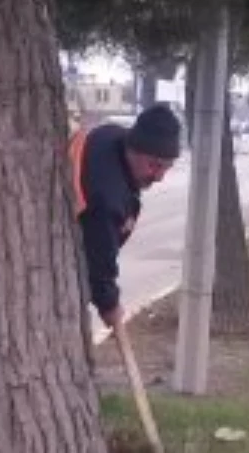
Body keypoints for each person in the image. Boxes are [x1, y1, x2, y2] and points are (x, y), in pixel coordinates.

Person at [70, 101, 182, 328]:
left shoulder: (111, 136)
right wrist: (109, 304)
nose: (159, 176)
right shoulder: (108, 196)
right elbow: (100, 259)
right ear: (133, 150)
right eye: (154, 165)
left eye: (166, 168)